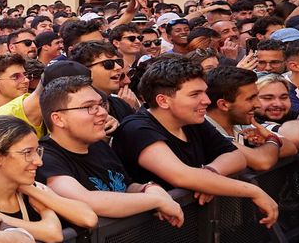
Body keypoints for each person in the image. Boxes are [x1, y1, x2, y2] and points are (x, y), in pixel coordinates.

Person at [110, 56, 280, 226]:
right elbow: (181, 175)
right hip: (149, 238)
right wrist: (253, 191)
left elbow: (236, 157)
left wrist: (210, 174)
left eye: (204, 92)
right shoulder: (137, 129)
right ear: (163, 101)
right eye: (195, 94)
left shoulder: (192, 121)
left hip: (194, 232)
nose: (206, 100)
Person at [36, 77, 184, 225]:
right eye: (89, 107)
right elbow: (85, 200)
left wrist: (148, 188)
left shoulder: (98, 145)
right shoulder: (44, 158)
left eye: (101, 104)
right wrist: (156, 201)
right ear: (58, 119)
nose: (102, 112)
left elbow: (125, 186)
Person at [0, 117, 97, 243]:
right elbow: (52, 234)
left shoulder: (31, 188)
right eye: (27, 153)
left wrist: (33, 191)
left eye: (38, 151)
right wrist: (45, 209)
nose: (39, 161)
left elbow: (89, 218)